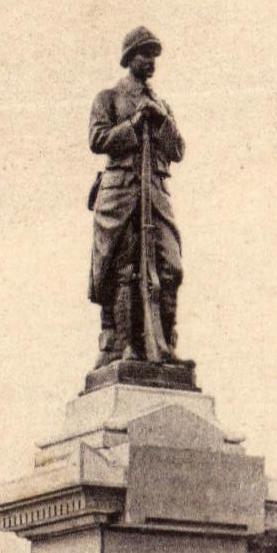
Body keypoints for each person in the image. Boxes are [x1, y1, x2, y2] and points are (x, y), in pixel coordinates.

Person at [87, 26, 185, 365]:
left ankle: (165, 346)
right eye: (145, 54)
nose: (152, 61)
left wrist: (161, 122)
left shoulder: (162, 104)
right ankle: (126, 346)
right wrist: (134, 123)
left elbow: (178, 150)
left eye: (155, 55)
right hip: (121, 193)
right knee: (125, 268)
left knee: (170, 267)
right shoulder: (109, 98)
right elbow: (98, 140)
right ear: (130, 59)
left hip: (155, 193)